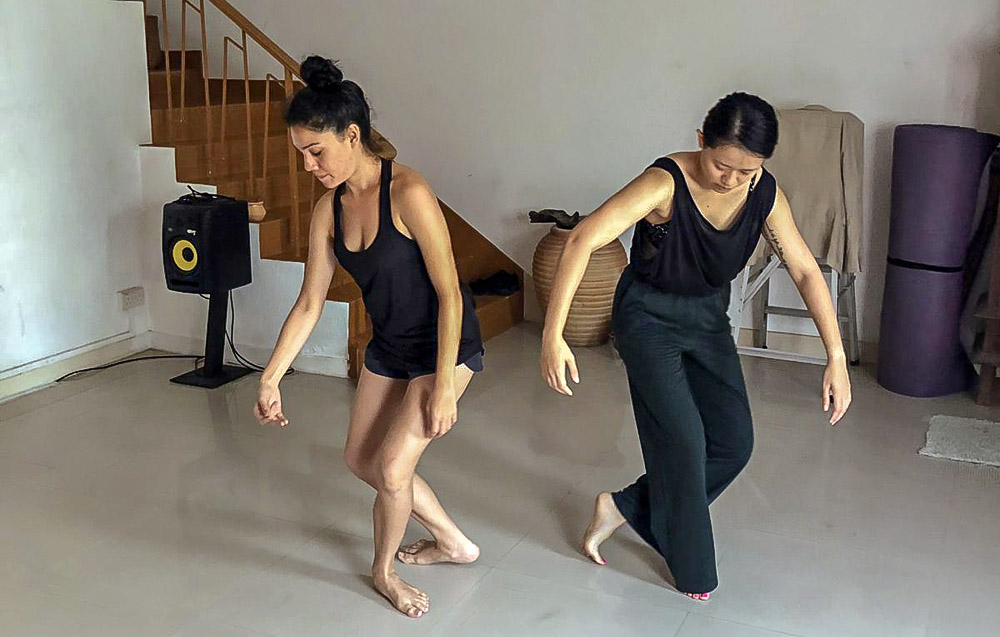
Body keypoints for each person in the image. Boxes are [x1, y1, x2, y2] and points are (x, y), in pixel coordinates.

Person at [539, 92, 852, 601]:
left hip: (707, 319)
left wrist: (835, 356)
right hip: (647, 318)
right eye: (721, 164)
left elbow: (803, 268)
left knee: (733, 443)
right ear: (700, 141)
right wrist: (552, 334)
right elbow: (583, 239)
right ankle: (693, 571)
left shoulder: (764, 193)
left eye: (746, 171)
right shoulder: (664, 182)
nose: (730, 179)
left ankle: (625, 506)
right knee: (684, 445)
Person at [254, 56, 484, 619]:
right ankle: (454, 543)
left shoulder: (408, 192)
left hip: (442, 347)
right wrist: (270, 377)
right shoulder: (327, 211)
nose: (309, 165)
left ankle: (383, 573)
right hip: (389, 348)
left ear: (351, 135)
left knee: (391, 469)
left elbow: (450, 293)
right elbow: (310, 302)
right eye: (301, 153)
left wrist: (447, 387)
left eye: (317, 151)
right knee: (362, 460)